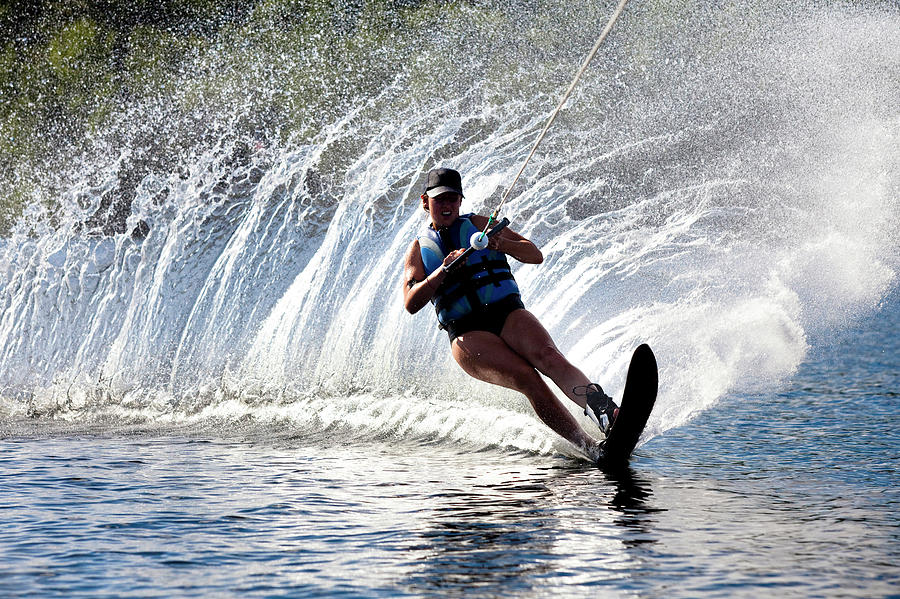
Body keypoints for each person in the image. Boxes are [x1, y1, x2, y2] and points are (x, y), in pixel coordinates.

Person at [401, 167, 618, 462]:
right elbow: (411, 302)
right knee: (528, 378)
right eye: (440, 200)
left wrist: (498, 243)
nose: (447, 205)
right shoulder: (418, 249)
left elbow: (534, 254)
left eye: (453, 198)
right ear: (425, 203)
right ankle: (589, 446)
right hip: (466, 333)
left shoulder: (479, 225)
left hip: (506, 312)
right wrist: (442, 271)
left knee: (548, 357)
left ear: (461, 201)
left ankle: (605, 410)